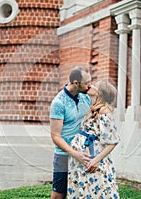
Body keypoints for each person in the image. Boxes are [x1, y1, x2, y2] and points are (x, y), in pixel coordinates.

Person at [67, 80, 120, 199]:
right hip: (82, 158)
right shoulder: (92, 108)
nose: (91, 85)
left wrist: (96, 160)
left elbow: (113, 141)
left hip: (93, 158)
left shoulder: (104, 111)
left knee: (95, 190)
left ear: (100, 93)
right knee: (83, 189)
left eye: (95, 85)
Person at [50, 66, 93, 199]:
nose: (90, 85)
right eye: (87, 82)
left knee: (84, 192)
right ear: (76, 83)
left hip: (84, 153)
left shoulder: (86, 97)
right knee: (59, 194)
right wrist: (74, 154)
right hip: (64, 155)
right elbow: (55, 136)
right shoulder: (58, 103)